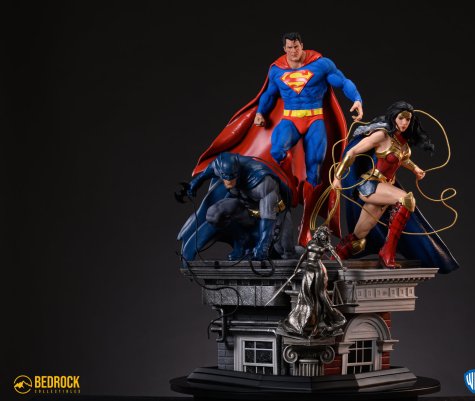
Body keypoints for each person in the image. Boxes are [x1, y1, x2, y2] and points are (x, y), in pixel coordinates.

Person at [191, 32, 363, 246]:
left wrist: (356, 99)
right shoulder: (277, 69)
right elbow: (270, 94)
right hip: (290, 118)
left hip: (315, 119)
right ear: (284, 48)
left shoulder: (320, 64)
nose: (294, 51)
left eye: (297, 47)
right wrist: (261, 112)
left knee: (315, 168)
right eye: (290, 47)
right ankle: (288, 187)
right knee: (277, 151)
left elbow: (342, 81)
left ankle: (306, 226)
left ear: (302, 45)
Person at [332, 101, 459, 272]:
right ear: (393, 117)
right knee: (406, 200)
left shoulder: (403, 143)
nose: (404, 123)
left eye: (408, 119)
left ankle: (334, 257)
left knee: (358, 239)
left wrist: (415, 169)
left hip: (384, 188)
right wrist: (337, 177)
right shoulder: (382, 135)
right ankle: (387, 252)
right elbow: (352, 152)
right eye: (401, 118)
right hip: (371, 184)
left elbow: (402, 159)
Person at [176, 152, 295, 262]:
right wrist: (195, 184)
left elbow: (268, 216)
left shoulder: (262, 181)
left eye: (232, 178)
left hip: (274, 215)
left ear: (238, 172)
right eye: (226, 178)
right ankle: (241, 240)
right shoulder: (220, 165)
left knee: (284, 252)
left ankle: (265, 246)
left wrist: (263, 245)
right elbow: (208, 172)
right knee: (214, 214)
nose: (229, 182)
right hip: (247, 212)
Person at [277, 226, 346, 338]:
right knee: (304, 294)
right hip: (308, 270)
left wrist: (342, 266)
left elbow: (336, 255)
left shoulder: (326, 245)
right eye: (323, 234)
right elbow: (303, 256)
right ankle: (300, 322)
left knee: (320, 295)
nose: (324, 236)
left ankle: (322, 322)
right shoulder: (311, 243)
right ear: (318, 233)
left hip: (318, 271)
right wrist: (296, 269)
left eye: (326, 235)